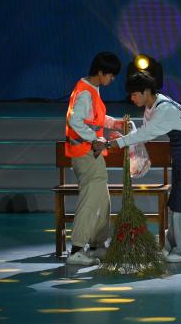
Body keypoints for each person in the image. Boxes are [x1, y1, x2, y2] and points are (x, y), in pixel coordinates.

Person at [96, 71, 181, 264]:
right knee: (177, 200)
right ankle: (171, 246)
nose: (132, 99)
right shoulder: (152, 106)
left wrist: (111, 143)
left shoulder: (163, 109)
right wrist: (123, 137)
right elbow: (143, 134)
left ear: (146, 91)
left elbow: (144, 134)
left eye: (134, 94)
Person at [64, 51, 122, 266]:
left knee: (102, 200)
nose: (112, 79)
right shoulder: (85, 93)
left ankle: (97, 245)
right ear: (100, 72)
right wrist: (95, 138)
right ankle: (77, 250)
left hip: (92, 154)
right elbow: (75, 121)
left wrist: (114, 123)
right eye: (111, 75)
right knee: (90, 201)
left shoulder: (90, 89)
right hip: (85, 154)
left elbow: (94, 119)